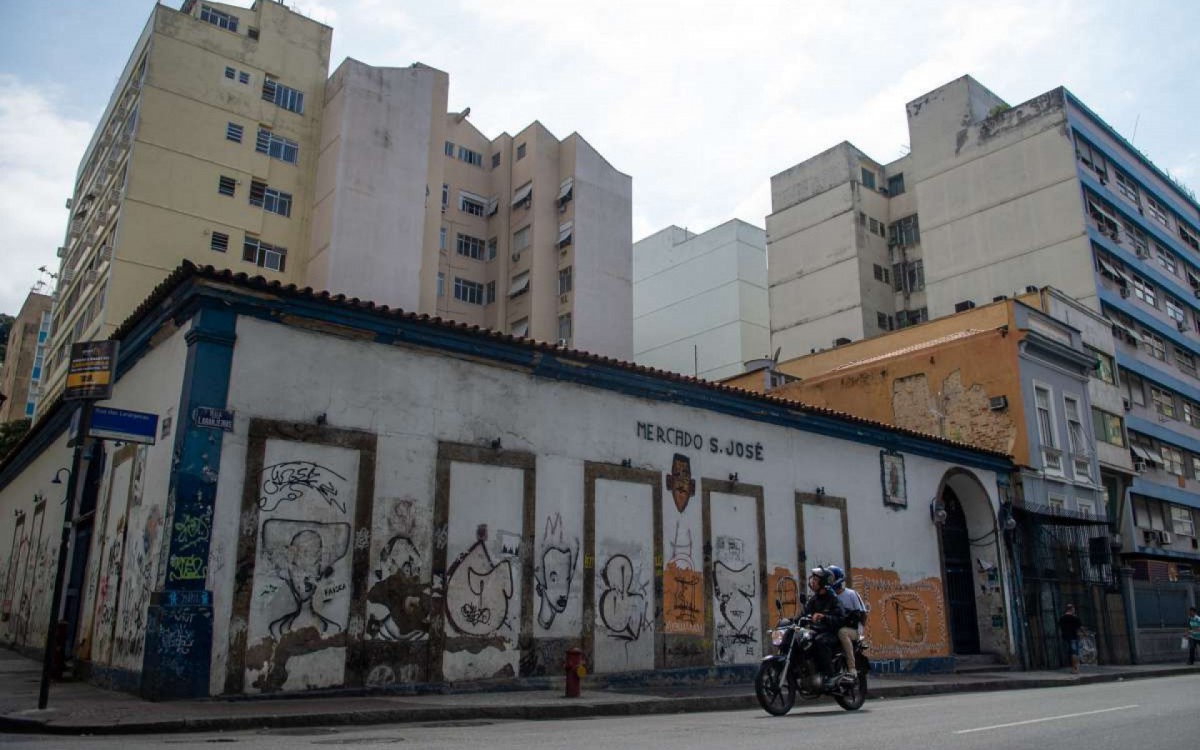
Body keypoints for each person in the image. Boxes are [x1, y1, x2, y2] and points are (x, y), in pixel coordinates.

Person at [802, 566, 846, 689]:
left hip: (831, 634)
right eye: (813, 579)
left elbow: (841, 619)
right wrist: (788, 621)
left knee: (819, 641)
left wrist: (824, 617)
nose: (813, 582)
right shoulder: (814, 599)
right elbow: (803, 614)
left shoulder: (833, 599)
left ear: (823, 582)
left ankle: (830, 676)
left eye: (816, 579)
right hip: (817, 632)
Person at [827, 565, 867, 681]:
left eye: (831, 579)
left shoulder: (851, 594)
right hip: (835, 628)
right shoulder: (828, 597)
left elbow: (863, 613)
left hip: (852, 630)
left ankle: (852, 668)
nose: (829, 582)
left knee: (842, 632)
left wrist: (860, 630)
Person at [1058, 603, 1083, 674]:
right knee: (1074, 653)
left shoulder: (1062, 618)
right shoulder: (1074, 618)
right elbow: (1080, 627)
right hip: (1074, 637)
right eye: (1074, 609)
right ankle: (1075, 669)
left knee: (1070, 653)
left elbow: (1060, 627)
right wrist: (1084, 633)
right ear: (1071, 609)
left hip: (1065, 637)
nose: (1074, 610)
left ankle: (1074, 668)